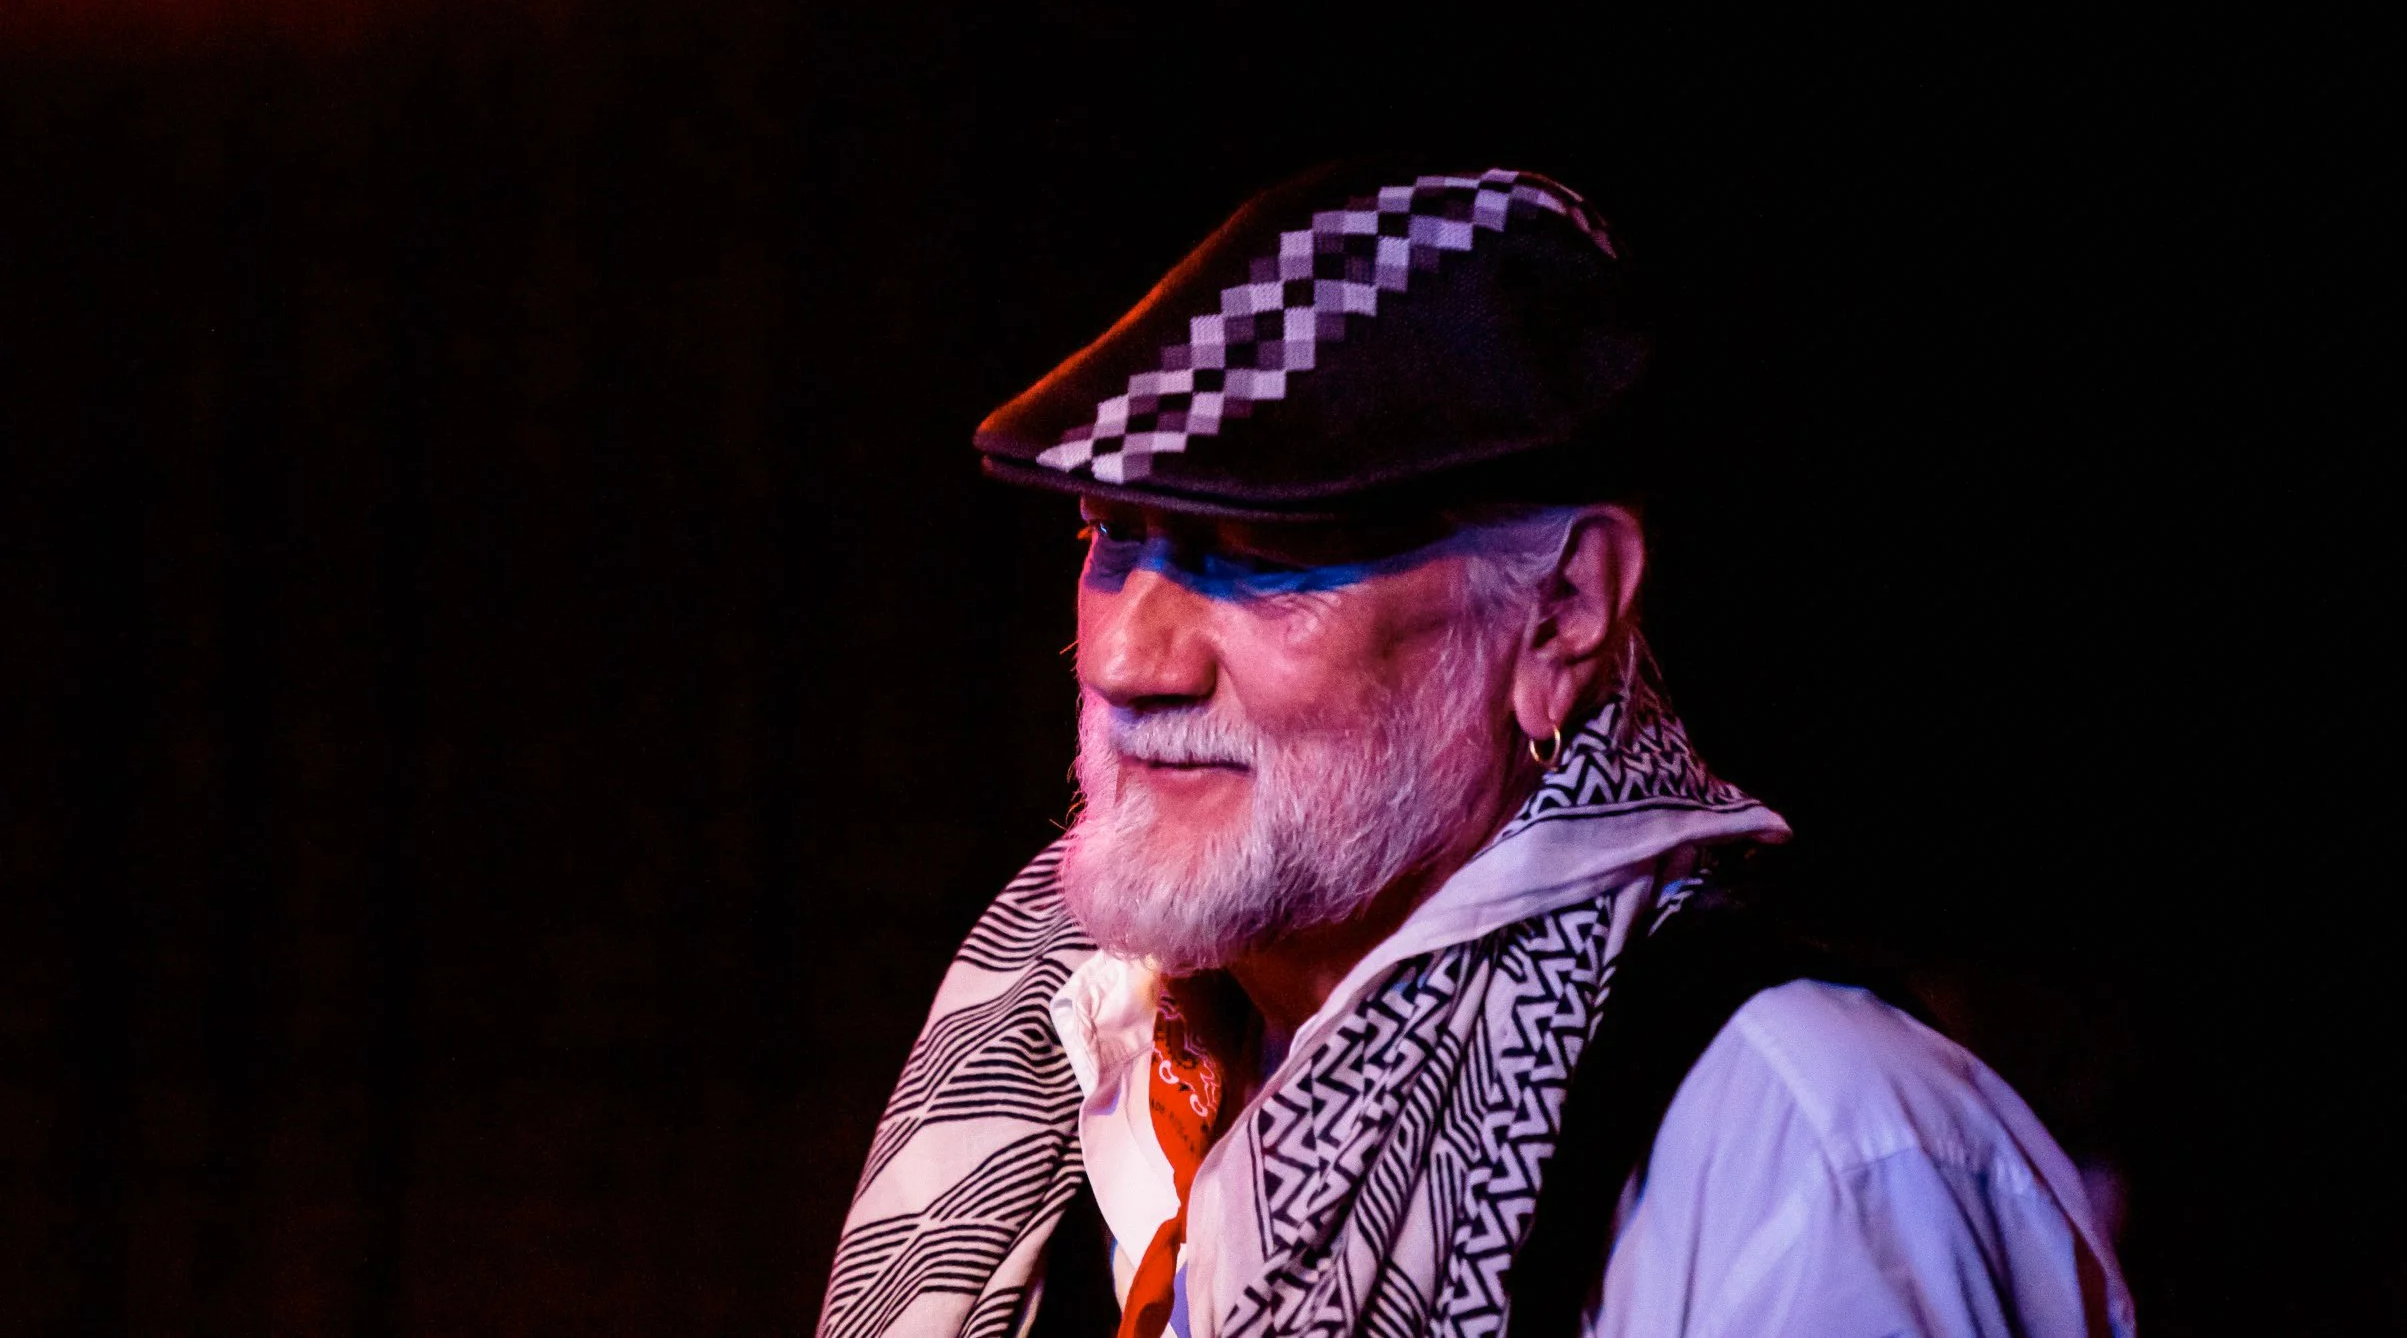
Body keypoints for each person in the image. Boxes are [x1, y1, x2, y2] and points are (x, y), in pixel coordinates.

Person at [818, 163, 2134, 1338]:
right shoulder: (1056, 1035)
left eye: (1265, 558)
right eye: (1113, 537)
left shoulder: (1810, 1149)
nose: (1126, 659)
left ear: (1562, 612)